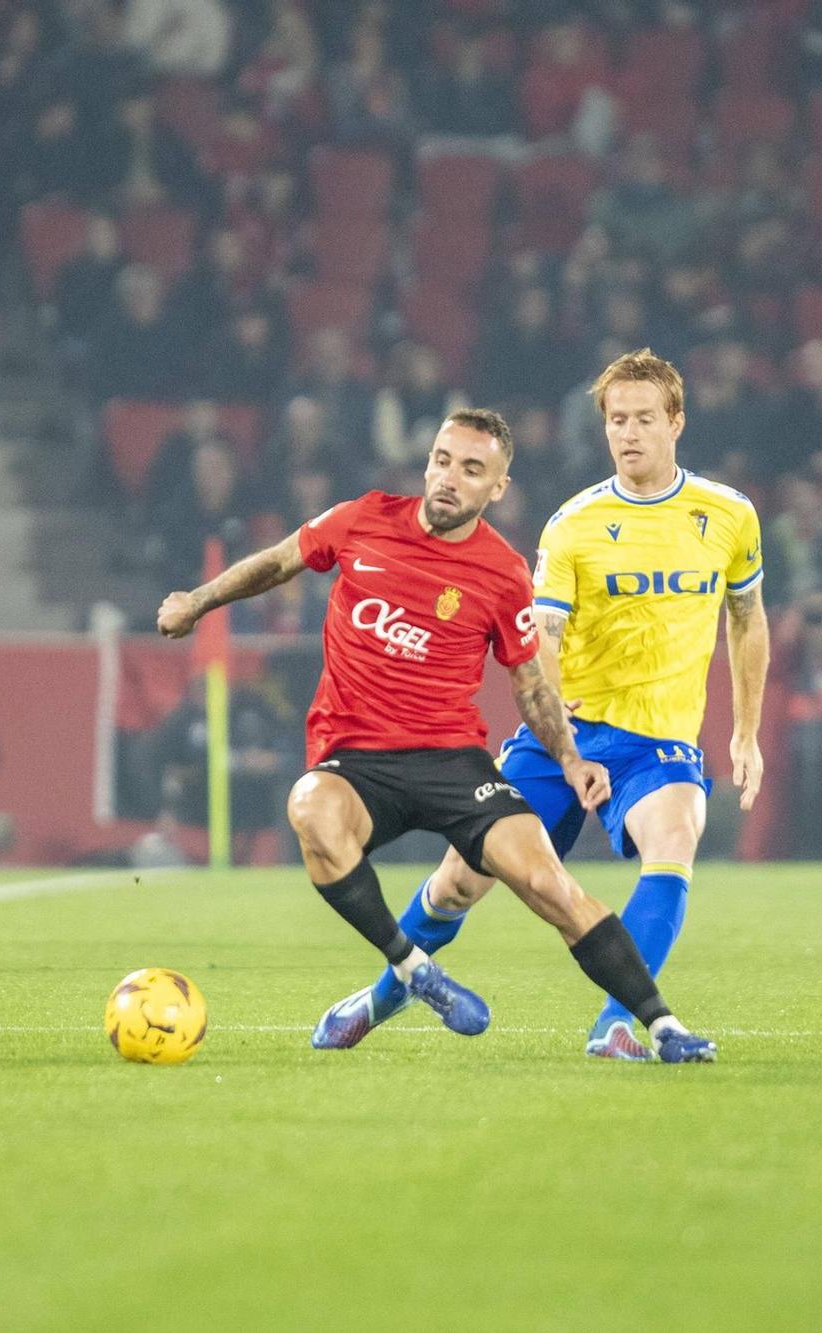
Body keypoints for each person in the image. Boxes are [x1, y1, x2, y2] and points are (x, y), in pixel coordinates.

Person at [155, 408, 717, 1063]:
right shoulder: (363, 518)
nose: (451, 478)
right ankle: (412, 967)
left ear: (497, 488)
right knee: (310, 810)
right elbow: (280, 562)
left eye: (472, 469)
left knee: (547, 884)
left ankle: (662, 1025)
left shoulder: (503, 573)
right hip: (357, 761)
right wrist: (196, 601)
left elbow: (531, 684)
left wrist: (569, 756)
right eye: (443, 461)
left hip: (452, 761)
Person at [313, 349, 769, 1061]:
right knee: (460, 881)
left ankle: (619, 1021)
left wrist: (746, 731)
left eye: (644, 419)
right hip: (570, 729)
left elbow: (748, 617)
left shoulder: (730, 516)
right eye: (617, 420)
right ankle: (382, 993)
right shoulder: (574, 524)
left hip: (658, 738)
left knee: (675, 836)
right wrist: (569, 749)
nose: (629, 433)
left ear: (676, 421)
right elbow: (542, 643)